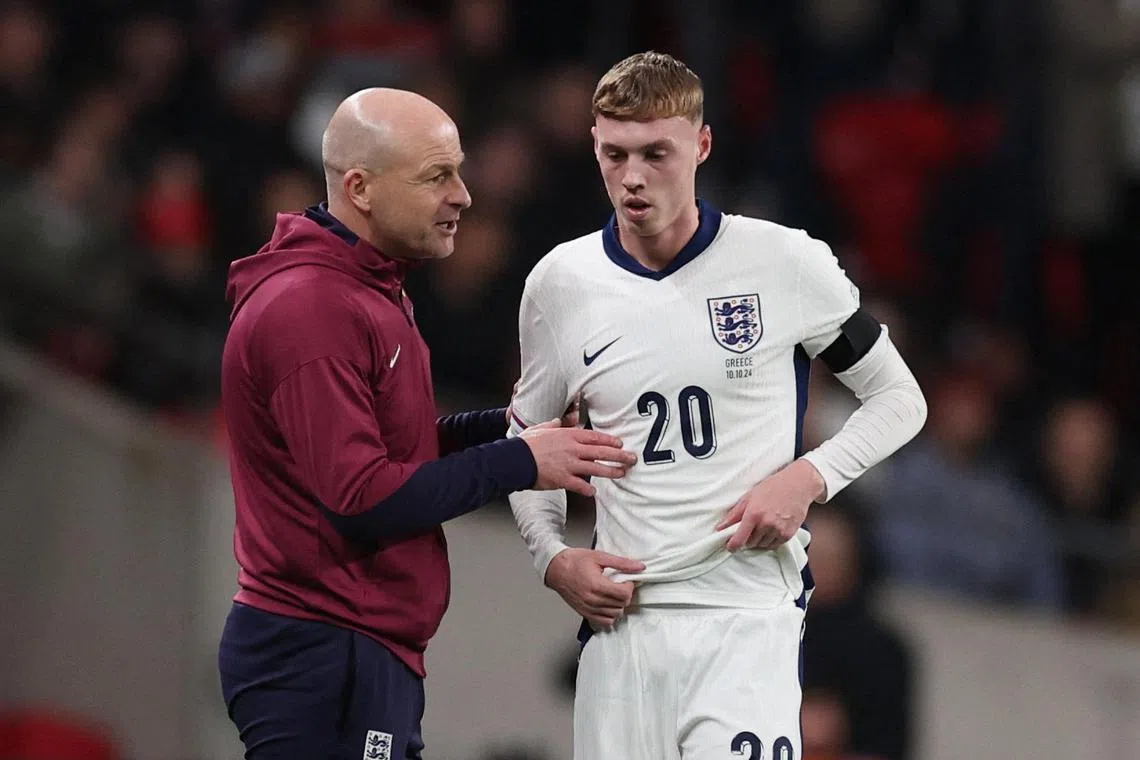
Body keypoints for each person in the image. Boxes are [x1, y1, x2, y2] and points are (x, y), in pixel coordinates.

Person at [506, 53, 928, 760]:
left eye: (655, 154)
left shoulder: (785, 263)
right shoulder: (561, 283)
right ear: (594, 148)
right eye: (615, 154)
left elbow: (900, 397)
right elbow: (527, 446)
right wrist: (553, 558)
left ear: (701, 147)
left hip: (744, 616)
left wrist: (808, 478)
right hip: (624, 628)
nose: (633, 176)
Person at [217, 88, 637, 760]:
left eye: (459, 170)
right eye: (436, 175)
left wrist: (507, 427)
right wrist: (522, 461)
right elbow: (361, 496)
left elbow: (394, 452)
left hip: (352, 647)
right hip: (326, 648)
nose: (463, 195)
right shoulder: (313, 308)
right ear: (361, 187)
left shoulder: (366, 286)